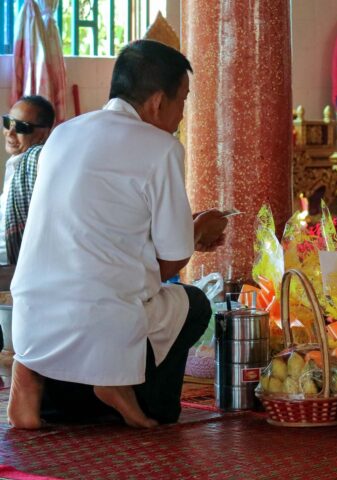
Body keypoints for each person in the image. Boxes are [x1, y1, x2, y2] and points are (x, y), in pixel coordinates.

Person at [7, 40, 228, 429]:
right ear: (158, 101)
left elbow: (96, 228)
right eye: (183, 101)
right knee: (193, 304)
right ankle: (124, 388)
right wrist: (197, 231)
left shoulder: (63, 135)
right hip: (100, 320)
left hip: (31, 316)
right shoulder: (161, 147)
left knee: (84, 287)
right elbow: (171, 261)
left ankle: (29, 384)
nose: (181, 115)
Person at [0, 96, 54, 290]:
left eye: (21, 127)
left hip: (17, 273)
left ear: (43, 134)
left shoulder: (37, 160)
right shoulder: (17, 164)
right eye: (8, 122)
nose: (10, 132)